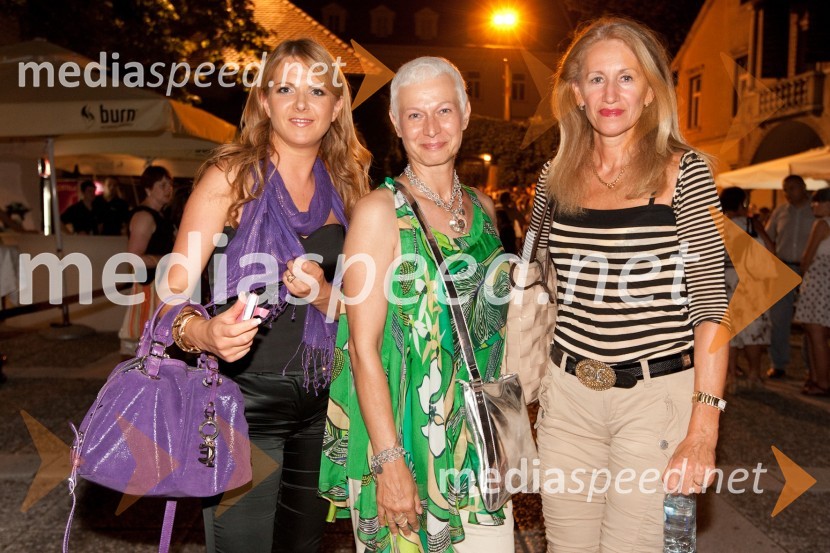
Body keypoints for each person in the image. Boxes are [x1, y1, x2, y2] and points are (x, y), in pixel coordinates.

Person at [161, 39, 371, 553]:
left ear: (336, 104)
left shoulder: (350, 188)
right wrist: (205, 333)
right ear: (264, 101)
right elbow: (167, 298)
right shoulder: (229, 178)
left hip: (326, 405)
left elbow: (365, 309)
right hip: (242, 403)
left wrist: (324, 294)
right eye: (285, 88)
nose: (301, 105)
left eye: (316, 90)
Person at [529, 17, 729, 551]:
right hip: (567, 400)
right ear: (576, 93)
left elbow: (711, 305)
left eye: (626, 77)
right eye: (596, 79)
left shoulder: (682, 172)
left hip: (654, 401)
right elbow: (536, 282)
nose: (610, 93)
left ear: (649, 93)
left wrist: (703, 431)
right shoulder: (554, 177)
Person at [318, 57, 515, 552]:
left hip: (481, 444)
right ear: (395, 123)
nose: (431, 128)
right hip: (409, 440)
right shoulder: (378, 213)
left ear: (466, 114)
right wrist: (389, 463)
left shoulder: (484, 210)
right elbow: (362, 349)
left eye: (444, 110)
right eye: (415, 115)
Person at [719, 187, 774, 393]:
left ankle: (731, 376)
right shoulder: (752, 224)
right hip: (751, 280)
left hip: (725, 279)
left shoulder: (716, 224)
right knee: (754, 330)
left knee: (729, 331)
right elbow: (771, 249)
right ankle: (753, 374)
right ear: (742, 203)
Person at [118, 166, 175, 356]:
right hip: (149, 290)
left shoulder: (160, 216)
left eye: (170, 184)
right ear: (148, 189)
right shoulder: (144, 216)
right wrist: (169, 260)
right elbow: (134, 259)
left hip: (159, 288)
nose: (168, 189)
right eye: (162, 185)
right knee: (146, 347)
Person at [765, 174, 815, 379]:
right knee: (778, 318)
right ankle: (778, 363)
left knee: (810, 321)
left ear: (803, 187)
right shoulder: (780, 212)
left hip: (811, 270)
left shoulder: (816, 210)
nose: (788, 193)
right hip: (784, 268)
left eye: (792, 188)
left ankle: (812, 365)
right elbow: (768, 236)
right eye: (785, 189)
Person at [793, 188, 830, 395]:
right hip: (827, 284)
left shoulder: (822, 223)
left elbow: (807, 257)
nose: (813, 205)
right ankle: (816, 378)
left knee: (815, 335)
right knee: (818, 334)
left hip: (818, 283)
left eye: (817, 202)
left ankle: (822, 382)